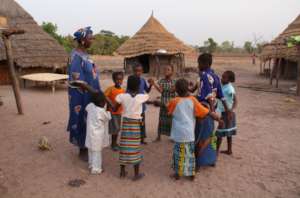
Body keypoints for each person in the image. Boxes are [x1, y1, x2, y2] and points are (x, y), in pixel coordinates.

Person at [167, 79, 223, 181]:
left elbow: (169, 111)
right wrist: (218, 119)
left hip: (179, 134)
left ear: (176, 90)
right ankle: (191, 174)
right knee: (190, 154)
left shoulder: (174, 101)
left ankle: (178, 174)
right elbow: (207, 112)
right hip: (189, 133)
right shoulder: (193, 100)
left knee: (178, 154)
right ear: (188, 89)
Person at [190, 53, 231, 169]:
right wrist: (227, 110)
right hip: (211, 109)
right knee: (210, 134)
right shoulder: (216, 77)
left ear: (204, 64)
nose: (198, 66)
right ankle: (211, 159)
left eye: (199, 63)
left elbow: (209, 95)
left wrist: (212, 112)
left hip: (204, 109)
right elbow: (221, 96)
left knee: (200, 136)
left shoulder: (203, 76)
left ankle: (197, 163)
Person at [67, 27, 102, 161]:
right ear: (82, 40)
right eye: (90, 38)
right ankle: (82, 148)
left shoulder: (86, 55)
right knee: (81, 118)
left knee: (90, 118)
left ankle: (88, 144)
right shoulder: (75, 57)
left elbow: (92, 75)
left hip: (90, 93)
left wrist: (96, 90)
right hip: (80, 96)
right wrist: (95, 92)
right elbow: (78, 81)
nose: (92, 40)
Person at [115, 75, 149, 181]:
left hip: (125, 124)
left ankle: (122, 172)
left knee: (124, 146)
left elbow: (115, 106)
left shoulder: (122, 96)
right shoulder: (140, 97)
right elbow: (147, 95)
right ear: (139, 86)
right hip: (135, 126)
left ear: (127, 85)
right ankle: (136, 174)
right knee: (135, 148)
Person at [85, 92, 111, 174]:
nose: (105, 104)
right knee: (97, 152)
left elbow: (87, 107)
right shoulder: (101, 111)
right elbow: (108, 118)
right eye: (104, 102)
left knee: (91, 150)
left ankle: (91, 164)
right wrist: (109, 110)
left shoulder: (91, 106)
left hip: (90, 133)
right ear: (101, 103)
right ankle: (96, 169)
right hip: (97, 136)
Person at [151, 65, 176, 141]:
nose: (166, 71)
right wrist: (154, 84)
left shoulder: (174, 81)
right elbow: (161, 91)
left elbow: (172, 90)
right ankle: (159, 137)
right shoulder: (161, 81)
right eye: (165, 69)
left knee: (171, 120)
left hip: (171, 103)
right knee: (161, 119)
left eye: (168, 70)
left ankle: (172, 136)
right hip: (163, 102)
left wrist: (158, 86)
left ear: (172, 72)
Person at [130, 63, 153, 144]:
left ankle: (142, 139)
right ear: (133, 71)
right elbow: (129, 93)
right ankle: (134, 138)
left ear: (142, 71)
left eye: (139, 71)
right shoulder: (131, 81)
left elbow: (147, 91)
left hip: (142, 107)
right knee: (135, 123)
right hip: (135, 107)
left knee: (142, 123)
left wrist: (150, 85)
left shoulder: (143, 80)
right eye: (136, 71)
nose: (137, 73)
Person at [216, 71, 237, 155]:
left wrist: (231, 111)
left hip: (227, 113)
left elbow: (235, 100)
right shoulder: (222, 85)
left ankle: (216, 151)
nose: (222, 78)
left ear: (230, 80)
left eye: (224, 77)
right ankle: (229, 150)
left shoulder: (230, 89)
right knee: (228, 132)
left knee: (220, 133)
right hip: (222, 111)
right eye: (222, 76)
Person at [104, 72, 125, 151]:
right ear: (113, 80)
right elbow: (104, 96)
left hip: (119, 112)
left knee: (117, 129)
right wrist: (111, 103)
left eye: (120, 79)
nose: (119, 81)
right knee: (114, 129)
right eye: (117, 79)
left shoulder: (123, 90)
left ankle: (115, 143)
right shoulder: (111, 89)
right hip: (112, 113)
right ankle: (113, 144)